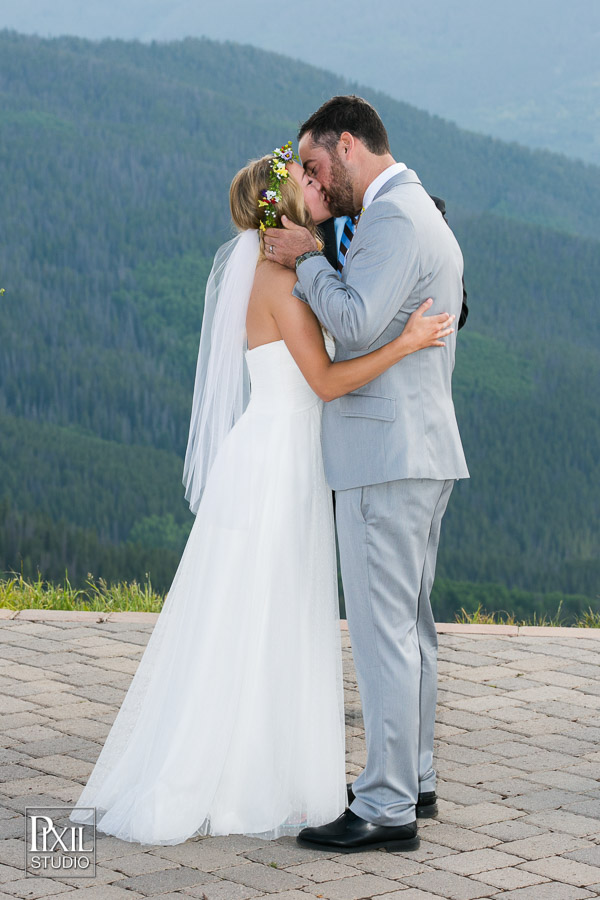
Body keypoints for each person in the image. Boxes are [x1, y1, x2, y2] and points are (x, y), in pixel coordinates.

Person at [69, 145, 455, 846]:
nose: (316, 187)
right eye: (305, 182)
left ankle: (272, 769)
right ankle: (251, 778)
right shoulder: (280, 282)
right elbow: (329, 383)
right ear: (279, 206)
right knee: (268, 614)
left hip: (279, 455)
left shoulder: (280, 273)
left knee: (265, 614)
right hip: (280, 463)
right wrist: (407, 341)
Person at [264, 95, 469, 854]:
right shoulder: (423, 213)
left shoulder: (391, 219)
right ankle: (412, 776)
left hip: (385, 455)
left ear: (348, 146)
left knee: (385, 635)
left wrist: (307, 261)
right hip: (419, 447)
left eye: (315, 166)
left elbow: (352, 324)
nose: (316, 183)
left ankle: (386, 806)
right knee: (410, 627)